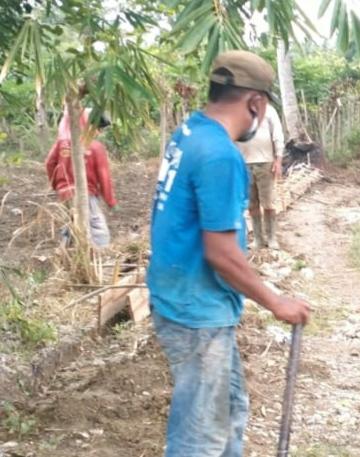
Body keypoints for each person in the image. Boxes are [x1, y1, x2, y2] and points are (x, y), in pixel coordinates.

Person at [147, 50, 311, 457]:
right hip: (196, 312)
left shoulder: (188, 133)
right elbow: (221, 253)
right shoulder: (220, 155)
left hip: (182, 298)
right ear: (256, 103)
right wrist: (277, 303)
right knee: (199, 438)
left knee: (231, 409)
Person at [44, 108, 116, 247]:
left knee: (71, 224)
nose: (99, 132)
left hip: (64, 195)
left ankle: (65, 255)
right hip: (85, 195)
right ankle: (101, 255)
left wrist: (57, 185)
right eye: (98, 128)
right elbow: (104, 177)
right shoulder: (96, 147)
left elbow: (49, 163)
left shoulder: (62, 142)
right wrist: (110, 201)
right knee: (97, 228)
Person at [236, 103, 284, 249]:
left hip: (265, 163)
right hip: (244, 164)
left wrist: (278, 160)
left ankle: (271, 238)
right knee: (252, 204)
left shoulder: (269, 110)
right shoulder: (238, 111)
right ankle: (258, 239)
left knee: (268, 202)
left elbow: (277, 135)